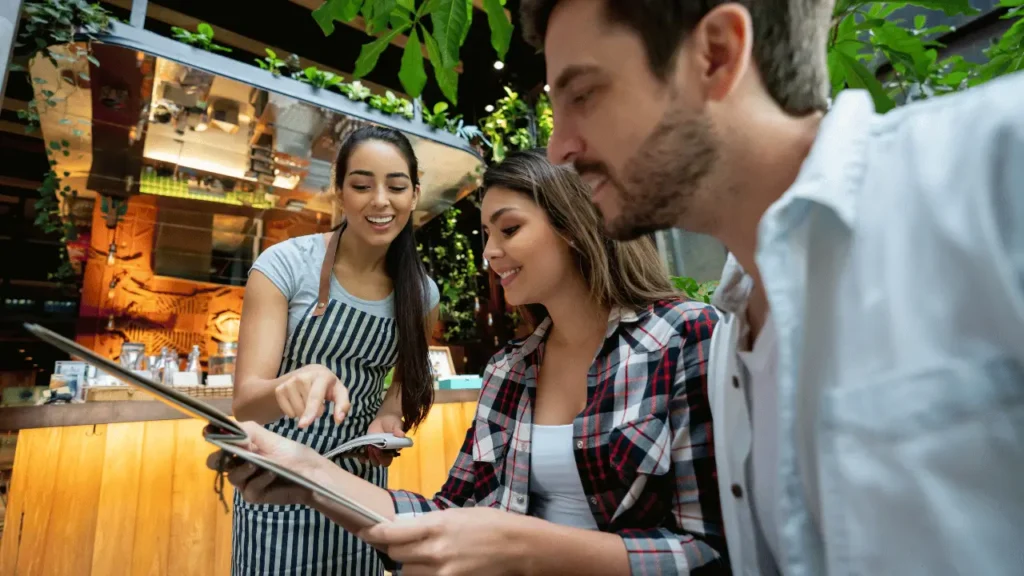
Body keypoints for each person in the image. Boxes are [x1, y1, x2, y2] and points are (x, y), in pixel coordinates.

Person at [522, 0, 1024, 574]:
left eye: (583, 95)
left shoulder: (990, 165)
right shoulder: (728, 339)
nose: (559, 148)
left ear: (716, 54)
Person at [211, 149, 727, 575]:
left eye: (508, 230)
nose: (490, 254)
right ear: (339, 193)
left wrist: (520, 545)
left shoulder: (682, 339)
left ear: (572, 226)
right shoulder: (511, 371)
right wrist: (312, 476)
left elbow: (714, 549)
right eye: (486, 236)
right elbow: (450, 513)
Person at [230, 125, 440, 576]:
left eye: (397, 186)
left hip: (359, 493)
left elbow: (406, 377)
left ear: (415, 195)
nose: (380, 200)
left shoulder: (422, 293)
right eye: (362, 185)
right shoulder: (284, 266)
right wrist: (291, 383)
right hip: (277, 486)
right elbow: (245, 403)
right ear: (339, 191)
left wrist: (390, 412)